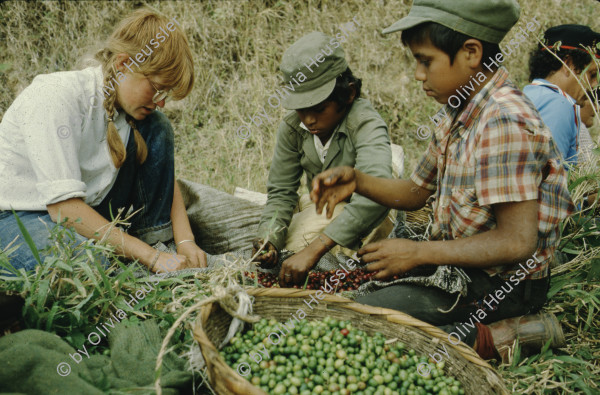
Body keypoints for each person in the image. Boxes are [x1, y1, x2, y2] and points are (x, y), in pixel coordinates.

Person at [310, 0, 574, 361]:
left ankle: (497, 336)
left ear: (470, 53)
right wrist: (358, 180)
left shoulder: (503, 121)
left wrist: (418, 252)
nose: (418, 74)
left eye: (425, 61)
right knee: (352, 305)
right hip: (461, 264)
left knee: (364, 329)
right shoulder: (458, 111)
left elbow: (516, 242)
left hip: (503, 285)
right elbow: (417, 192)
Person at [0, 8, 206, 275]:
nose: (161, 101)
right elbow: (64, 210)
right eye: (157, 88)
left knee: (158, 126)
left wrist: (185, 241)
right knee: (90, 266)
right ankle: (144, 260)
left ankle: (157, 243)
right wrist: (150, 258)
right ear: (122, 64)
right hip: (21, 217)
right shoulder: (55, 97)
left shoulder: (131, 109)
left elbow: (167, 178)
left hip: (89, 207)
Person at [252, 32, 394, 286]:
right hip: (319, 206)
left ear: (349, 94)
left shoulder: (365, 122)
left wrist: (315, 249)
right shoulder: (293, 127)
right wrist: (269, 238)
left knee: (298, 247)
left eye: (318, 109)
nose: (308, 120)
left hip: (365, 214)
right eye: (301, 109)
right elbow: (282, 192)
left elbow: (374, 198)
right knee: (279, 239)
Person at [523, 25, 600, 166]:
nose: (595, 85)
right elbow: (548, 177)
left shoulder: (528, 95)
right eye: (592, 74)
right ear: (568, 64)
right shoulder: (558, 105)